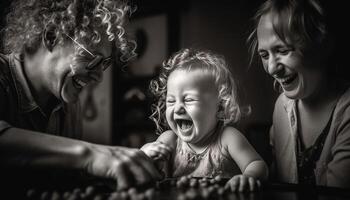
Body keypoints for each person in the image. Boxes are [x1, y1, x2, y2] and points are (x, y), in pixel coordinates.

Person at [0, 0, 161, 190]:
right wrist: (91, 154)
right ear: (52, 37)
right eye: (92, 58)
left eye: (104, 63)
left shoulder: (69, 105)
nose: (99, 77)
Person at [247, 0, 350, 188]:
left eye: (283, 50)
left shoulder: (347, 112)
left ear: (322, 46)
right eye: (264, 55)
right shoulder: (282, 106)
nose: (271, 69)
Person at [141, 48, 268, 192]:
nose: (177, 108)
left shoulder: (227, 138)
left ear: (220, 108)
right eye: (171, 101)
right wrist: (145, 155)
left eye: (188, 100)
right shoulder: (169, 141)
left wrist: (249, 176)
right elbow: (143, 172)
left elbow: (257, 164)